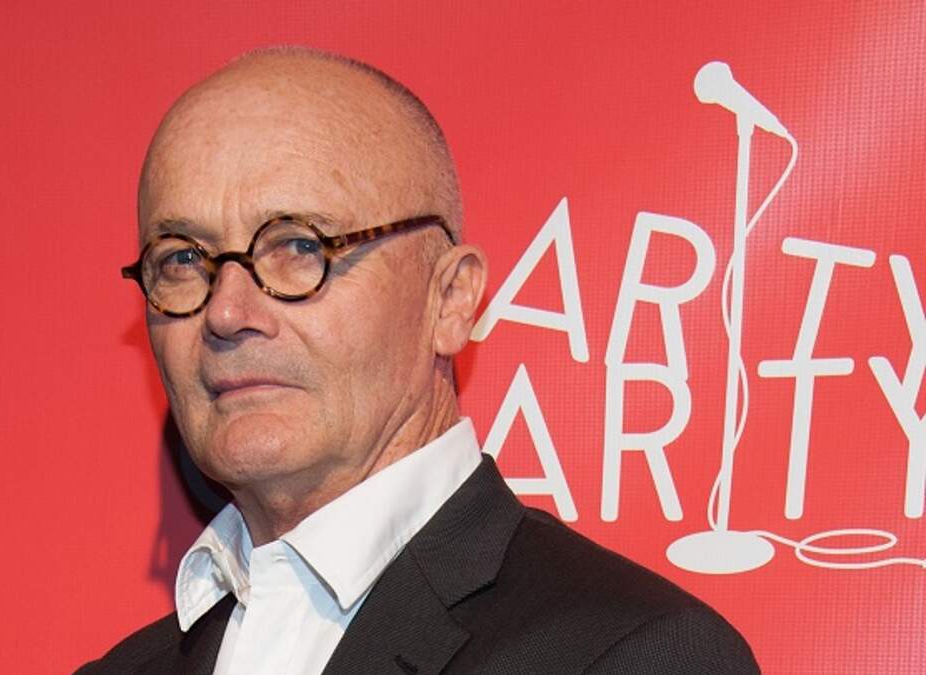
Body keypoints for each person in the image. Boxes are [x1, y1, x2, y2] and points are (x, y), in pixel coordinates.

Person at [77, 46, 759, 675]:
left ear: (450, 298)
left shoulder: (636, 655)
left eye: (299, 247)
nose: (227, 311)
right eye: (182, 260)